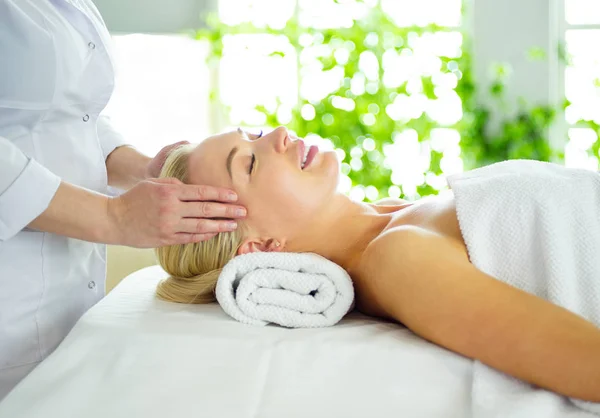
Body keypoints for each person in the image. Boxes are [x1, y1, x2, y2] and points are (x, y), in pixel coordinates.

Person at [153, 126, 600, 403]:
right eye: (249, 162)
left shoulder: (391, 214)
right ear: (261, 248)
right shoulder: (395, 259)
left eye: (251, 133)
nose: (278, 134)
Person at [0, 0, 246, 399]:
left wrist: (143, 167)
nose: (281, 135)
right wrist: (112, 216)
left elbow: (73, 118)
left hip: (67, 310)